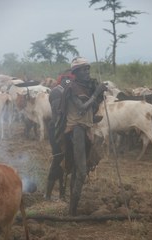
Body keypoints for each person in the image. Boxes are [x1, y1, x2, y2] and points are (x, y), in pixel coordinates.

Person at [59, 57, 108, 216]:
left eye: (88, 69)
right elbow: (81, 108)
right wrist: (96, 93)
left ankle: (71, 209)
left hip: (85, 129)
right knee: (81, 171)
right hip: (76, 130)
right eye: (84, 70)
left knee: (77, 169)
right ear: (76, 72)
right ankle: (72, 212)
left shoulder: (84, 87)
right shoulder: (72, 88)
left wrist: (99, 95)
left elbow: (91, 108)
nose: (87, 72)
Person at [45, 70, 75, 200]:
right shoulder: (57, 92)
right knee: (58, 160)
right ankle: (48, 194)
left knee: (65, 160)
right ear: (65, 80)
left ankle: (61, 194)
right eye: (70, 81)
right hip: (58, 130)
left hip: (65, 130)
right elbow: (59, 115)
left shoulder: (63, 91)